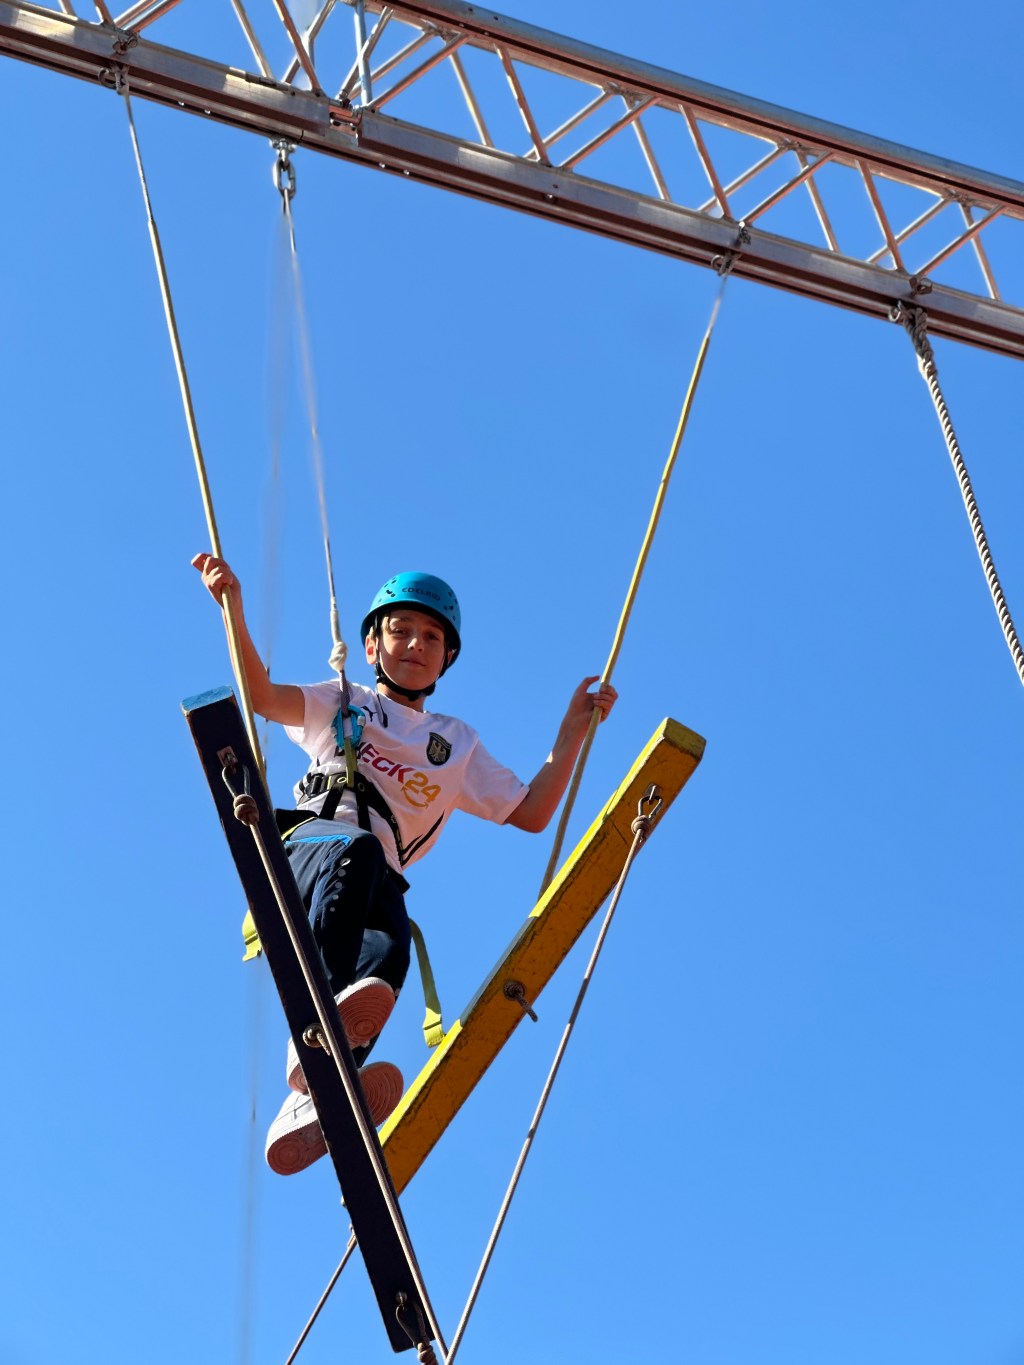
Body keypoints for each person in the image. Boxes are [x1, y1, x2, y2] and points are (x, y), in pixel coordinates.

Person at [193, 553, 617, 1175]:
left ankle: (313, 1096)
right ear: (371, 645)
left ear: (447, 658)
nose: (416, 644)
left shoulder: (455, 743)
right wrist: (232, 606)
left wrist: (571, 732)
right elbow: (262, 696)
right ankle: (309, 1037)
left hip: (375, 879)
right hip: (308, 853)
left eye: (432, 637)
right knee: (359, 853)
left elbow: (529, 812)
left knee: (389, 952)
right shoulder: (343, 699)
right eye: (401, 630)